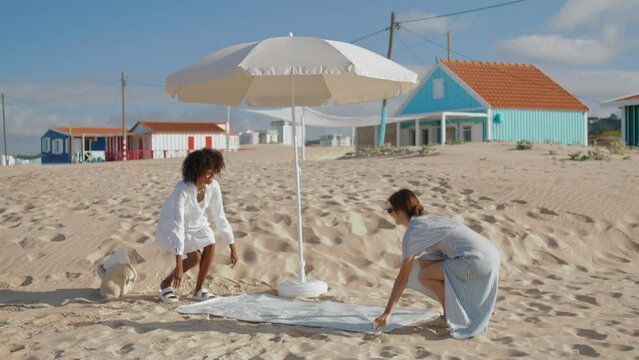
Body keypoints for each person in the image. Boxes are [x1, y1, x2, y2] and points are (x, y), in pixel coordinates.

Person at [372, 189, 501, 339]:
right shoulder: (431, 220)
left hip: (475, 261)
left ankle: (450, 316)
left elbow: (403, 277)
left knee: (423, 276)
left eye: (390, 210)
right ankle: (451, 312)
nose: (389, 214)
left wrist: (388, 313)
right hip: (492, 256)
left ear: (400, 210)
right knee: (425, 263)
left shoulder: (413, 231)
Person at [156, 148, 238, 302]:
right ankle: (165, 285)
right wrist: (179, 266)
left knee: (210, 240)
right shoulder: (182, 189)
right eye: (208, 173)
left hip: (196, 221)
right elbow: (178, 226)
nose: (212, 177)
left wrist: (232, 246)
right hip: (173, 223)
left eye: (213, 172)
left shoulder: (213, 186)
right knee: (194, 258)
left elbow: (220, 216)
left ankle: (199, 290)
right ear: (196, 171)